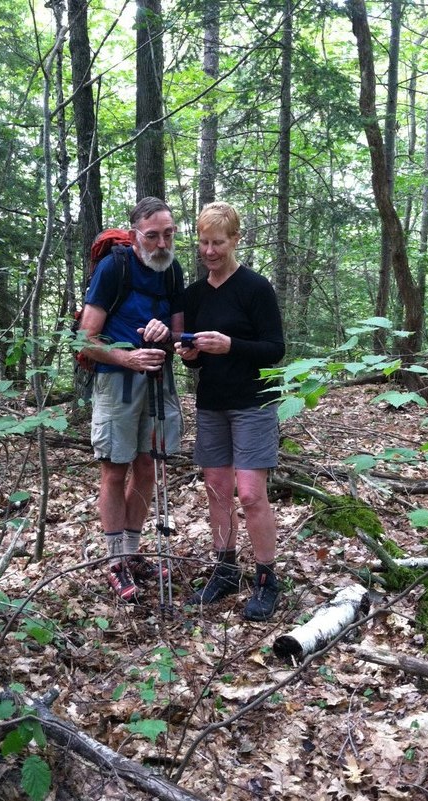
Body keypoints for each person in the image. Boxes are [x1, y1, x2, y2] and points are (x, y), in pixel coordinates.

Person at [175, 201, 285, 621]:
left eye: (218, 242)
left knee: (252, 495)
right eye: (203, 242)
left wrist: (232, 345)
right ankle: (224, 569)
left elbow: (275, 349)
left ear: (235, 240)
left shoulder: (255, 288)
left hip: (253, 404)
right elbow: (197, 358)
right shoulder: (195, 294)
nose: (209, 251)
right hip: (212, 404)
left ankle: (266, 579)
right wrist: (190, 355)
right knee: (217, 490)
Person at [80, 197, 184, 602]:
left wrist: (165, 336)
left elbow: (179, 336)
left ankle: (132, 551)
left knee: (146, 468)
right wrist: (127, 357)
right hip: (116, 382)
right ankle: (114, 561)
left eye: (169, 234)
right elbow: (85, 339)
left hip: (158, 382)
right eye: (153, 235)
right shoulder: (114, 267)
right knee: (114, 470)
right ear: (136, 234)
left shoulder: (172, 270)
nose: (161, 243)